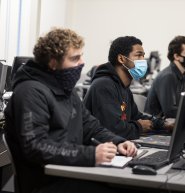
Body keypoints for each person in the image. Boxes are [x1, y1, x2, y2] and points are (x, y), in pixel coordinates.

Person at [4, 28, 137, 193]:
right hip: (46, 183)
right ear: (53, 62)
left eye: (81, 55)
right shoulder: (30, 92)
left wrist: (118, 142)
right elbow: (36, 147)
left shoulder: (66, 88)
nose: (82, 62)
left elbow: (91, 127)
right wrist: (91, 155)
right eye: (75, 58)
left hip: (70, 172)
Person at [84, 36, 167, 140]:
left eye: (143, 56)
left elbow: (135, 116)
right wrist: (139, 126)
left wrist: (163, 124)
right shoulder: (103, 85)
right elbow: (113, 130)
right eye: (138, 56)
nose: (143, 61)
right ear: (121, 59)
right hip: (100, 150)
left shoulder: (124, 86)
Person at [144, 36, 185, 118]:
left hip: (171, 124)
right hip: (157, 126)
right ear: (176, 56)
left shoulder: (184, 75)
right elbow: (170, 112)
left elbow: (182, 104)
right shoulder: (168, 76)